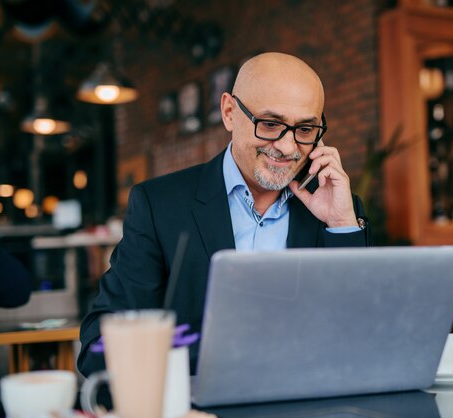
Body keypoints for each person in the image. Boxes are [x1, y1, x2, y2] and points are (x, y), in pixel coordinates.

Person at [78, 52, 370, 376]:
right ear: (229, 112)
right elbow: (99, 347)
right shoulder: (159, 206)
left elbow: (363, 337)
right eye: (271, 124)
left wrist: (343, 226)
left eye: (305, 129)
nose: (288, 147)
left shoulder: (336, 211)